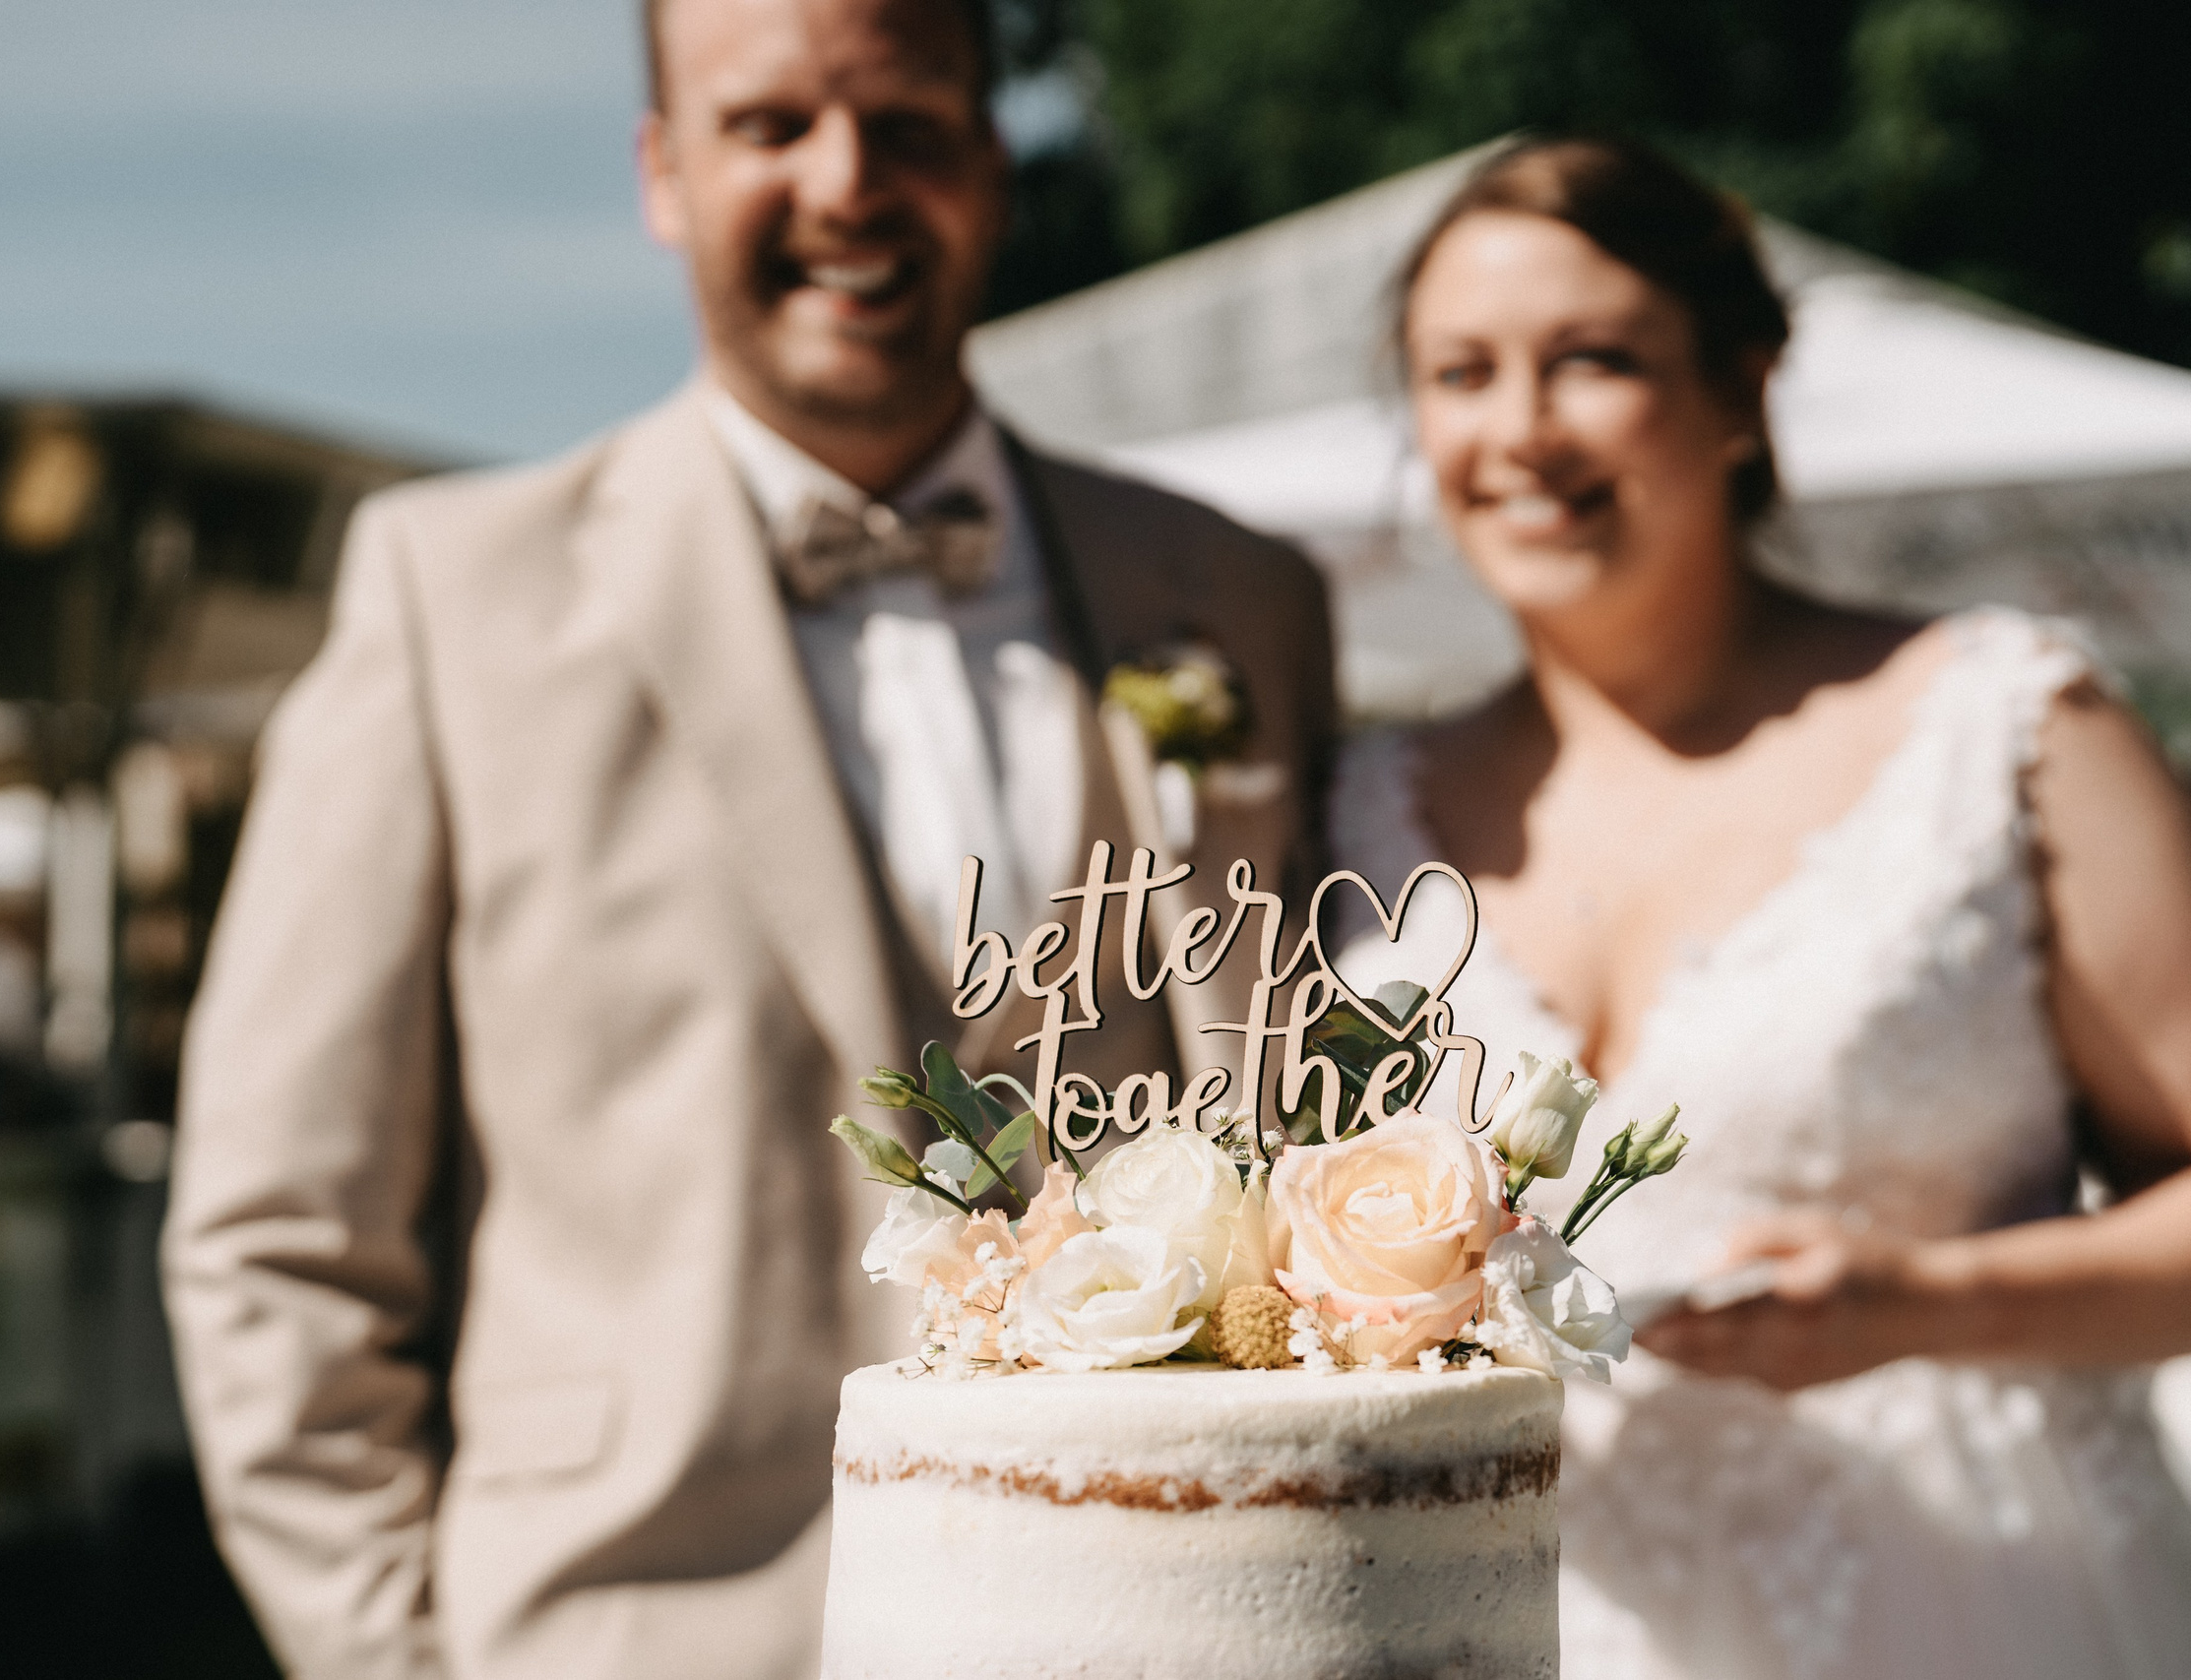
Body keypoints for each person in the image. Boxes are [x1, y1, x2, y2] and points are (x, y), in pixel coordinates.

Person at [158, 1, 1337, 1674]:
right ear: (662, 172)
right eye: (771, 125)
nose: (847, 185)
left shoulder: (1235, 599)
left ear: (992, 172)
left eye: (909, 127)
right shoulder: (451, 597)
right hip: (629, 1629)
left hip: (1158, 1625)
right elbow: (278, 1234)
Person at [1333, 135, 2191, 1679]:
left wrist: (1932, 1302)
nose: (1517, 430)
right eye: (1461, 374)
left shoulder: (2005, 726)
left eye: (1591, 361)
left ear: (1739, 388)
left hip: (1979, 1605)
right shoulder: (1364, 806)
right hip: (1536, 1614)